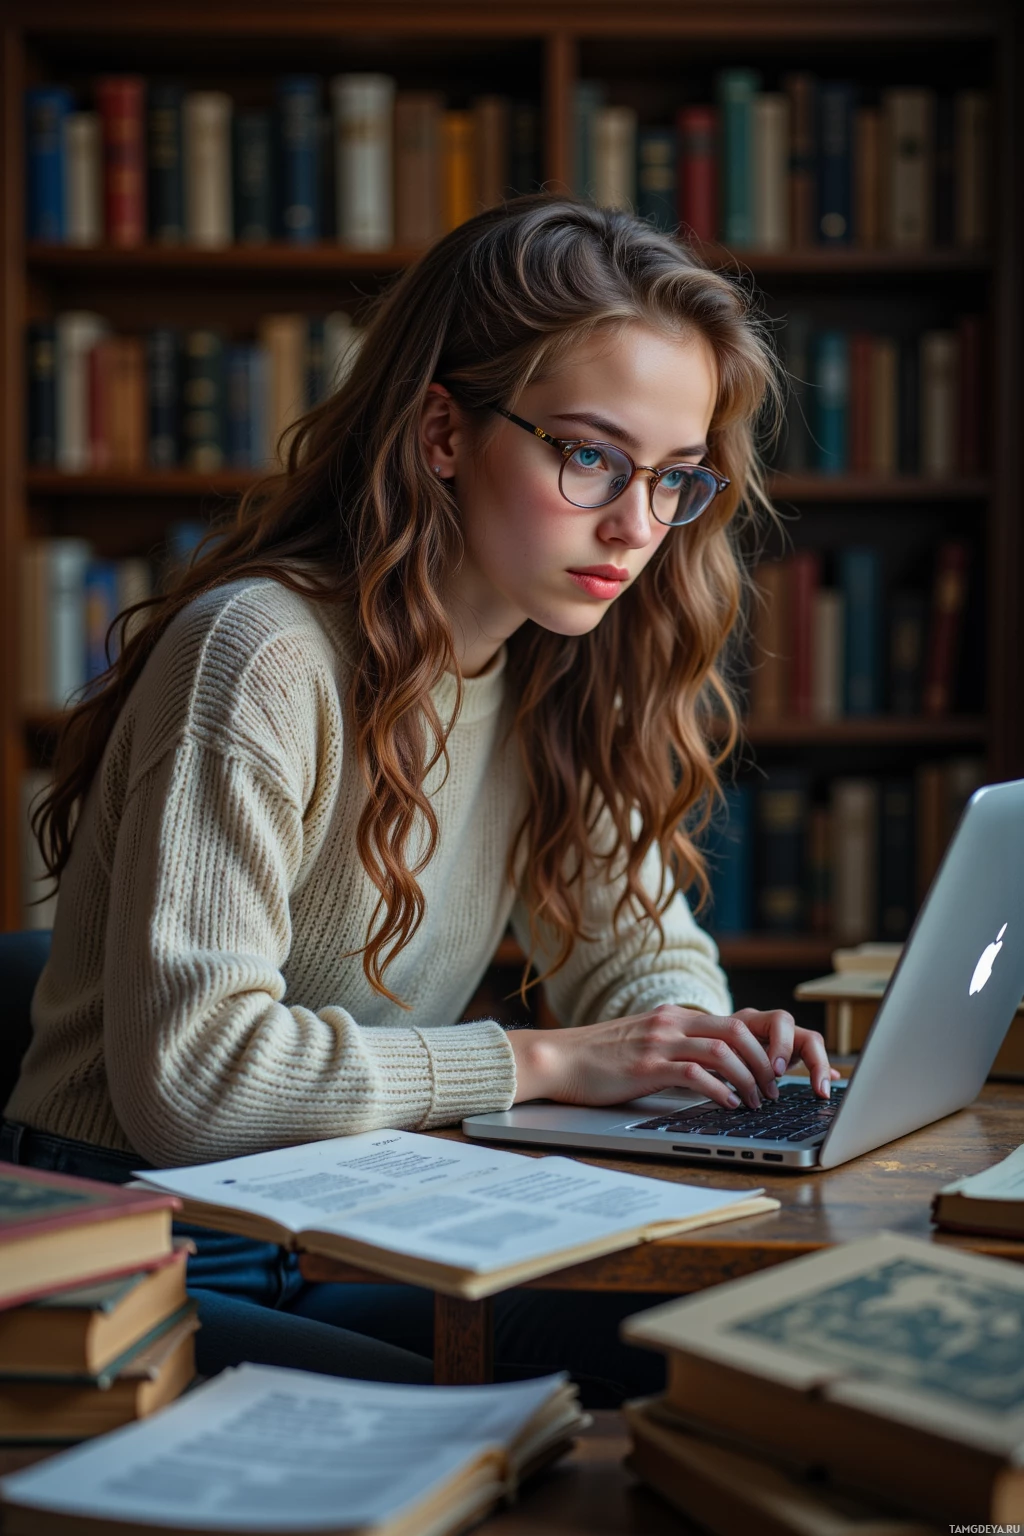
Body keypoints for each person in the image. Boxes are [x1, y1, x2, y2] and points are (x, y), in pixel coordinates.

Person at [3, 195, 836, 1402]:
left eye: (674, 479)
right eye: (590, 456)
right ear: (442, 431)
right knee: (519, 1430)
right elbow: (194, 1083)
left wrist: (702, 1052)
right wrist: (546, 1059)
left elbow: (640, 961)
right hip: (137, 1250)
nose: (634, 525)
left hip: (348, 1218)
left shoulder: (566, 665)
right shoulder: (260, 655)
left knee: (730, 1344)